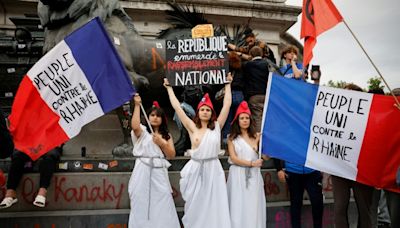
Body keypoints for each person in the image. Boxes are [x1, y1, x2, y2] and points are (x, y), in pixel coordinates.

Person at [164, 73, 232, 228]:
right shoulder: (192, 128)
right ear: (198, 112)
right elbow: (176, 107)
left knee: (215, 203)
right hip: (195, 170)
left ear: (212, 113)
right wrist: (169, 88)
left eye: (208, 110)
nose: (205, 112)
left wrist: (228, 84)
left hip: (213, 170)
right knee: (195, 204)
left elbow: (227, 105)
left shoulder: (217, 127)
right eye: (203, 109)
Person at [128, 94, 180, 228]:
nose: (155, 118)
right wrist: (138, 105)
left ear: (162, 119)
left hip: (159, 173)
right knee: (141, 201)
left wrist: (162, 143)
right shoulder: (143, 132)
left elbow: (171, 155)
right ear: (148, 117)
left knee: (163, 199)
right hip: (142, 170)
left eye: (158, 116)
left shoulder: (166, 136)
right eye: (152, 115)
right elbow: (134, 126)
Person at [331, 83, 375, 228]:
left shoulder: (369, 117)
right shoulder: (334, 116)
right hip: (340, 168)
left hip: (362, 169)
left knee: (364, 209)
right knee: (339, 208)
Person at [226, 101, 266, 228]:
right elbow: (233, 158)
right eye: (242, 118)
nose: (245, 121)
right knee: (238, 204)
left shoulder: (257, 136)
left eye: (247, 118)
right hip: (237, 174)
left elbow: (264, 156)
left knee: (254, 204)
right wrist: (251, 163)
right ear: (237, 120)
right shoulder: (231, 138)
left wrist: (264, 149)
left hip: (254, 175)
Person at [243, 46, 270, 132]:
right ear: (262, 54)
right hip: (266, 95)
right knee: (266, 118)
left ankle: (259, 140)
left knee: (257, 119)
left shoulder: (247, 65)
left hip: (254, 96)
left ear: (251, 54)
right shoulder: (267, 64)